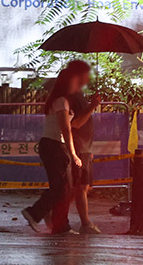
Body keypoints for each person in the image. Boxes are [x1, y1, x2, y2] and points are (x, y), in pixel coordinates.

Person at [22, 60, 92, 234]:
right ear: (68, 83)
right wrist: (74, 153)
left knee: (64, 188)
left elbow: (74, 124)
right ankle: (35, 213)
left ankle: (59, 224)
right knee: (61, 187)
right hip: (53, 145)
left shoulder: (64, 102)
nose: (78, 84)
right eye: (75, 81)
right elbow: (66, 129)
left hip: (55, 145)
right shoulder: (61, 101)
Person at [68, 82, 102, 233]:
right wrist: (92, 106)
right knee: (80, 186)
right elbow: (76, 123)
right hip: (79, 148)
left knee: (85, 186)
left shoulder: (80, 97)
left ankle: (52, 212)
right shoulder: (71, 97)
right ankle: (85, 223)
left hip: (85, 148)